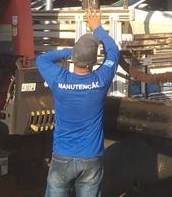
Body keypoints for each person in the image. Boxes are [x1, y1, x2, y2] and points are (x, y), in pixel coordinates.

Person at [36, 10, 119, 197]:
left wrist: (71, 52)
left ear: (73, 59)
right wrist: (98, 28)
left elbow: (42, 59)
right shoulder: (101, 80)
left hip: (62, 156)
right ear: (94, 62)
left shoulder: (59, 79)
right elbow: (113, 52)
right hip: (91, 157)